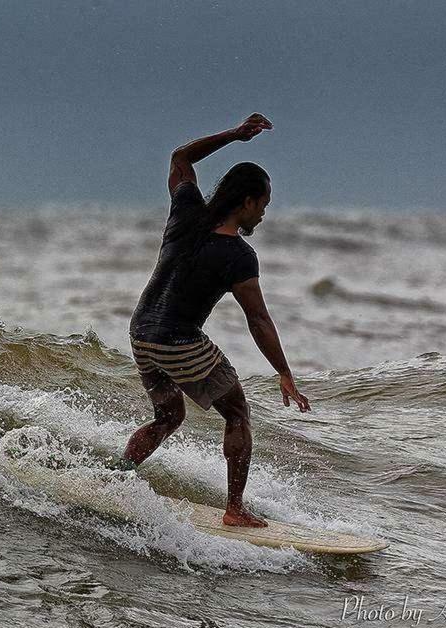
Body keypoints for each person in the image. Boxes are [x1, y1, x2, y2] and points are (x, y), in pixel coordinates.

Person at [120, 112, 310, 528]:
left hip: (141, 334)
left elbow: (181, 157)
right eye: (263, 206)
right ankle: (235, 510)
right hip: (178, 342)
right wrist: (284, 372)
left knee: (168, 417)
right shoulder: (238, 255)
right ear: (247, 202)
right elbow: (258, 319)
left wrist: (235, 136)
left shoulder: (186, 211)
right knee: (238, 413)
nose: (262, 215)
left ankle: (116, 477)